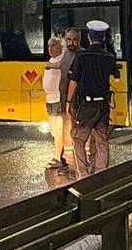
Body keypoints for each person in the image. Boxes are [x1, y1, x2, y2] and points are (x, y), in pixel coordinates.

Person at [67, 20, 120, 177]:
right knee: (102, 140)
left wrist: (69, 102)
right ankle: (101, 173)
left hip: (86, 106)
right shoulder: (109, 57)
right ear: (103, 37)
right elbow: (115, 76)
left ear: (89, 37)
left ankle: (83, 173)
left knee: (79, 140)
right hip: (103, 105)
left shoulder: (81, 56)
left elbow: (74, 80)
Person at [57, 27, 82, 165]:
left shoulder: (82, 55)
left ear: (79, 40)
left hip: (77, 100)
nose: (72, 42)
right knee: (66, 126)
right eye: (69, 39)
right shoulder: (65, 54)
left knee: (78, 129)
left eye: (75, 40)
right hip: (64, 98)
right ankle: (67, 155)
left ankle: (79, 158)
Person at [43, 36, 67, 170]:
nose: (50, 49)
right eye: (49, 46)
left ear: (60, 47)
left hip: (58, 100)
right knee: (54, 131)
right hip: (50, 100)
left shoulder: (62, 59)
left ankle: (57, 157)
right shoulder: (52, 60)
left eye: (53, 45)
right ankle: (60, 155)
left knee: (58, 130)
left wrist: (49, 65)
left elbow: (61, 66)